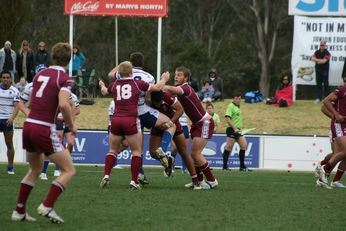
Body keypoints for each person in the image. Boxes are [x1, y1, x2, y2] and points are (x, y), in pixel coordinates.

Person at [11, 42, 76, 224]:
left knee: (35, 168)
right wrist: (71, 126)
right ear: (69, 60)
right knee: (69, 170)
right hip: (43, 128)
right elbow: (63, 104)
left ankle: (19, 210)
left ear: (51, 57)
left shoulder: (40, 75)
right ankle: (47, 205)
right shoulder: (64, 78)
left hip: (29, 125)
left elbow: (30, 101)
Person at [106, 52, 175, 184]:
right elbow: (151, 95)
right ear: (143, 63)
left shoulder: (121, 74)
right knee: (171, 124)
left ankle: (140, 175)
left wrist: (122, 65)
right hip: (143, 111)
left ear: (130, 63)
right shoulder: (148, 76)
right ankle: (163, 149)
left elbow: (110, 75)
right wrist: (164, 78)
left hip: (126, 114)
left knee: (137, 147)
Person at [163, 66, 218, 189]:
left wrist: (161, 82)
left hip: (205, 123)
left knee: (195, 154)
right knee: (194, 154)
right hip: (197, 124)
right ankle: (198, 182)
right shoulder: (182, 89)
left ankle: (212, 180)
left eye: (180, 75)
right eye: (175, 74)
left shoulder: (185, 88)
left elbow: (169, 89)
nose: (176, 76)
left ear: (186, 78)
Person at [150, 91, 198, 182]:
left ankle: (196, 180)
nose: (158, 105)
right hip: (157, 125)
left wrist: (170, 122)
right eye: (156, 104)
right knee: (153, 153)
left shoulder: (167, 96)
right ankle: (168, 160)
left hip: (173, 122)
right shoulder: (147, 99)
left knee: (183, 151)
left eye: (160, 103)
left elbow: (180, 110)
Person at [316, 79, 346, 188]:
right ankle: (323, 169)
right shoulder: (342, 90)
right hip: (339, 125)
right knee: (339, 152)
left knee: (341, 153)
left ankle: (331, 180)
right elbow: (325, 104)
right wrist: (336, 116)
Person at [222, 92, 251, 172]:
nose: (238, 100)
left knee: (244, 145)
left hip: (238, 130)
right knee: (229, 147)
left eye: (239, 99)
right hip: (232, 129)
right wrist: (234, 128)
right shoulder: (230, 106)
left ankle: (242, 167)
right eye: (236, 99)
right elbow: (228, 119)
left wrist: (238, 128)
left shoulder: (237, 107)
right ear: (233, 99)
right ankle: (224, 167)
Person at [0, 70, 20, 174]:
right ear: (1, 78)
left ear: (11, 79)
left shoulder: (15, 91)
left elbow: (17, 106)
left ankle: (10, 166)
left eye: (8, 78)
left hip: (7, 120)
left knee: (9, 144)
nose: (6, 79)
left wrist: (12, 118)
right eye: (4, 77)